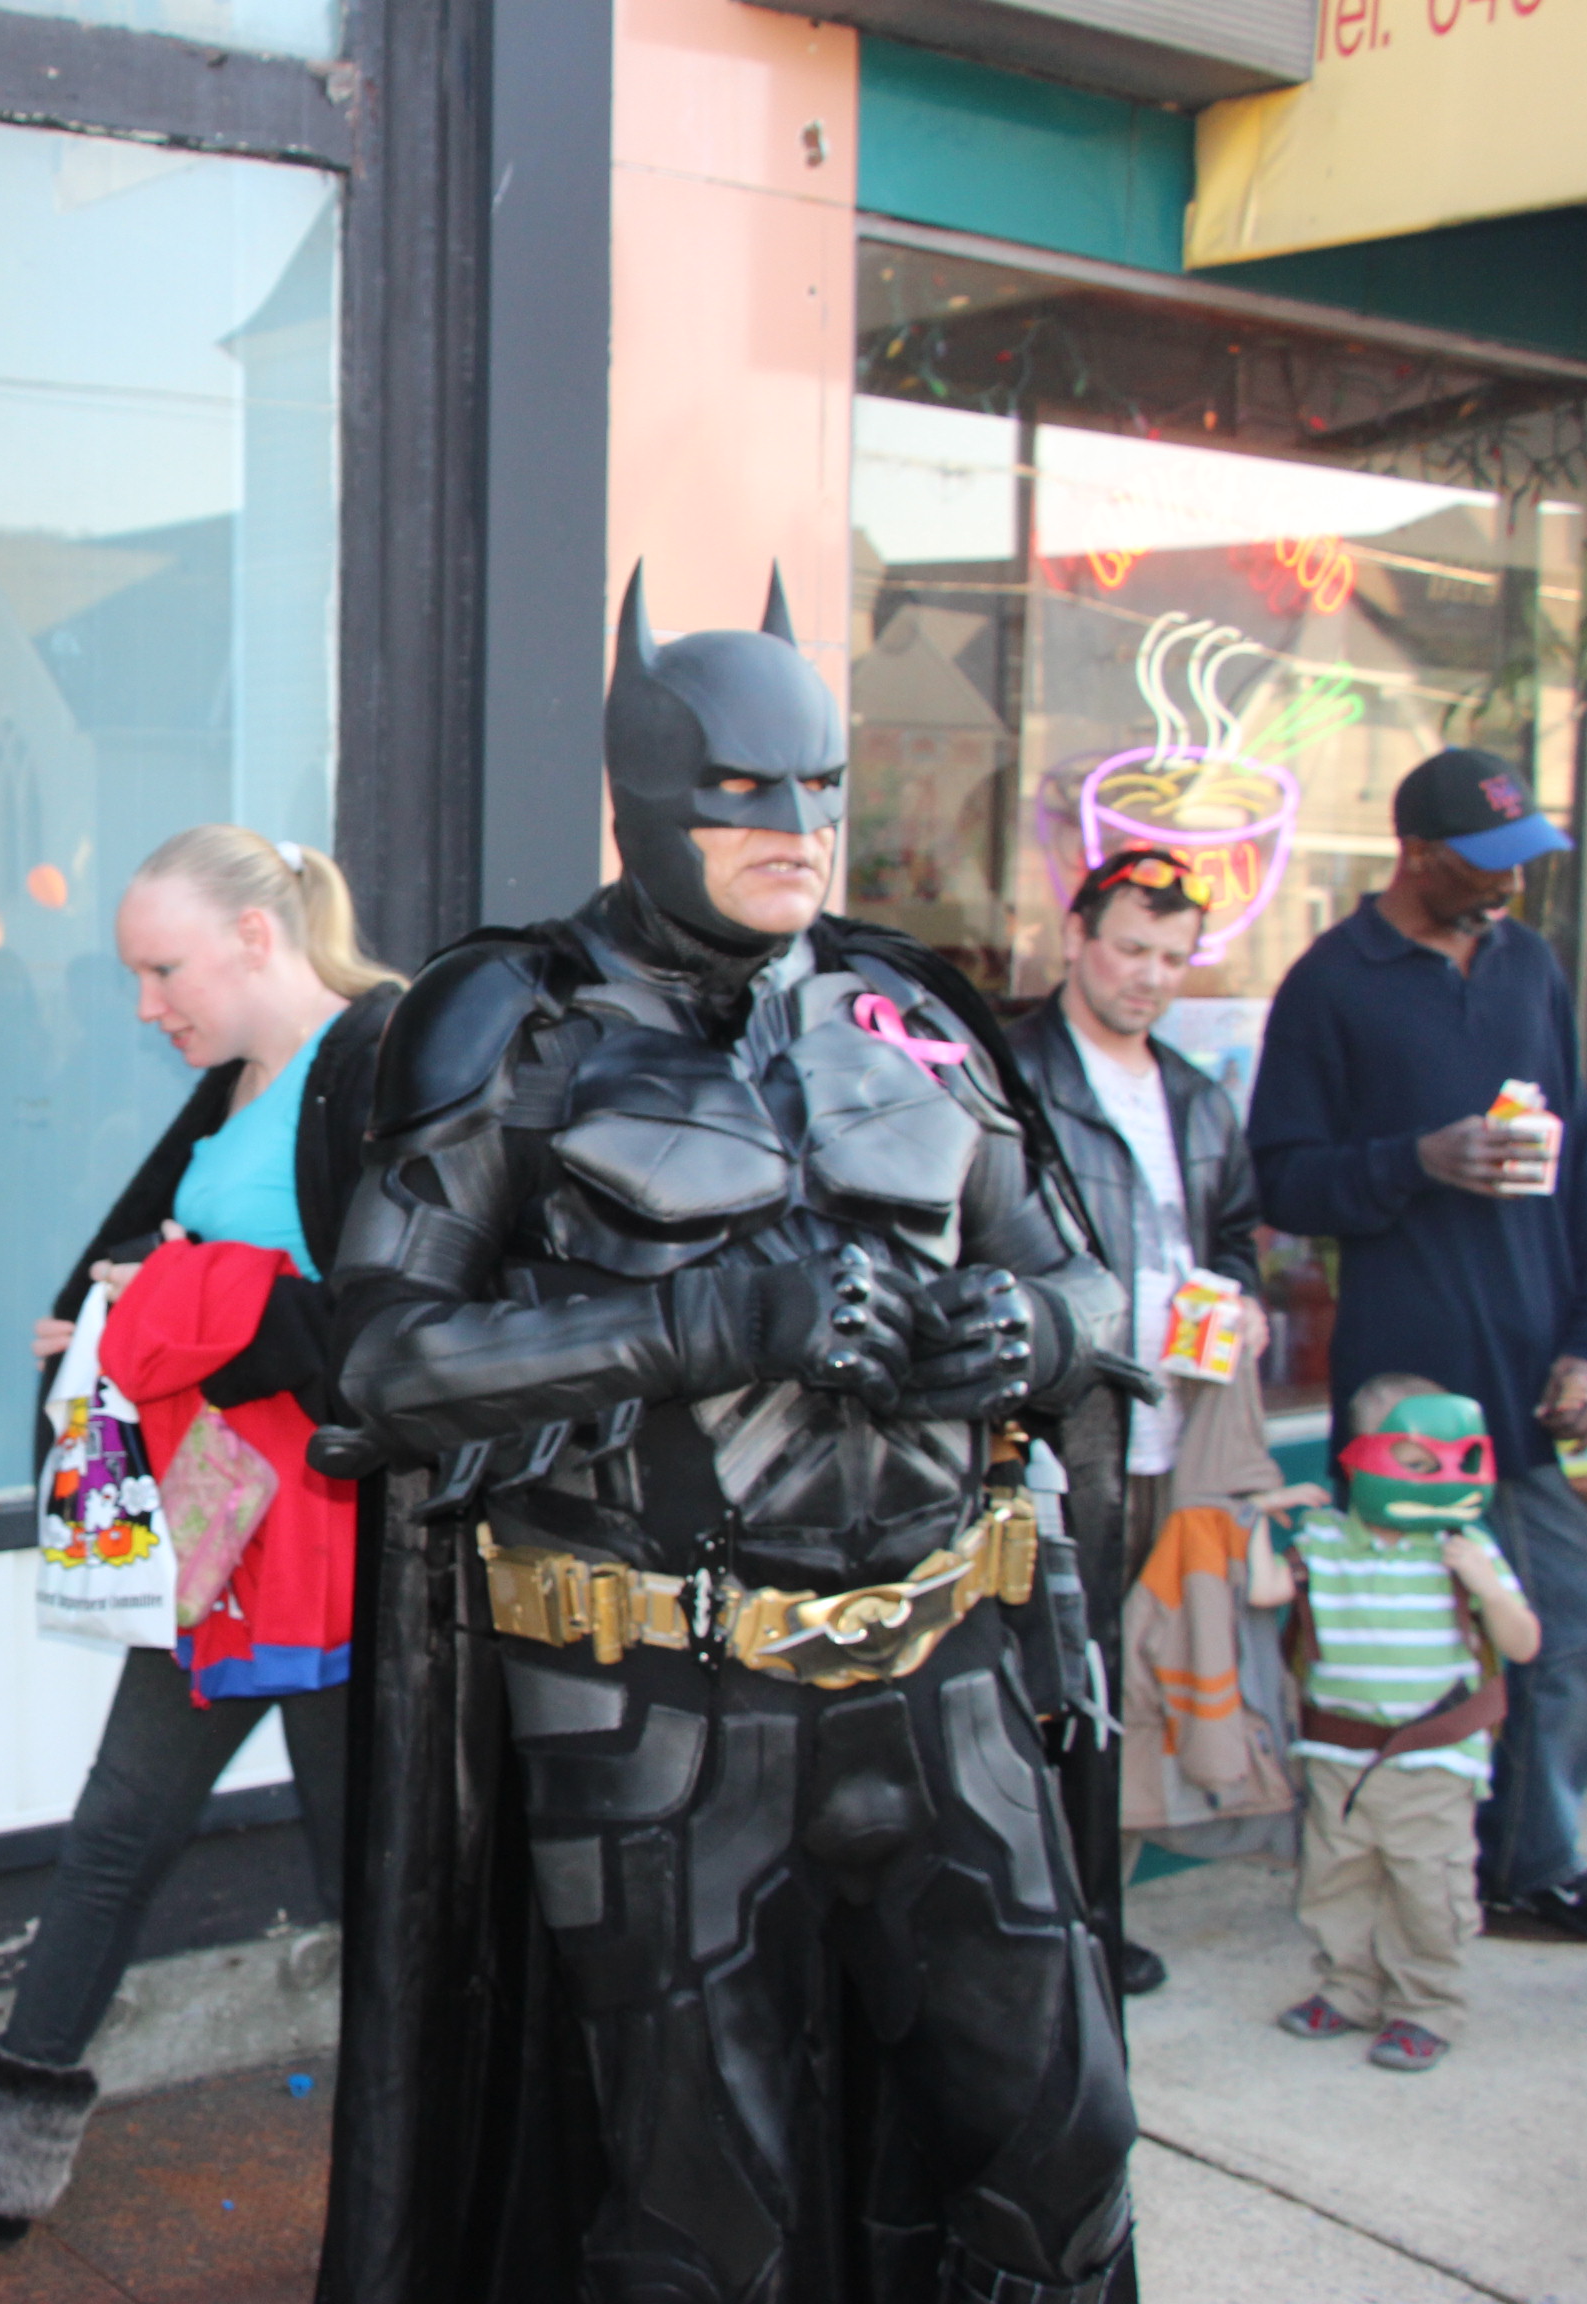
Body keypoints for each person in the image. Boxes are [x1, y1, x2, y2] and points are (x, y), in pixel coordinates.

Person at [319, 570, 1140, 2304]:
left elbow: (1087, 1275)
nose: (797, 831)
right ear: (644, 795)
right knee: (708, 2217)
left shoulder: (906, 1010)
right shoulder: (509, 1020)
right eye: (745, 792)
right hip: (658, 1710)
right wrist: (708, 1325)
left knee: (1066, 2151)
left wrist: (1033, 1329)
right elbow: (383, 1368)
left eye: (821, 788)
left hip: (944, 1676)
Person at [0, 825, 402, 2246]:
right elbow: (210, 1273)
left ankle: (435, 2187)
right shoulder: (244, 1075)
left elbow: (387, 1331)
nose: (145, 1005)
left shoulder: (384, 1062)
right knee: (122, 1830)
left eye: (162, 969)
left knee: (370, 1879)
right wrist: (112, 1314)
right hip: (224, 1507)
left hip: (337, 1536)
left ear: (256, 938)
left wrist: (166, 1307)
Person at [1247, 746, 1587, 1948]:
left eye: (1524, 863)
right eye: (1488, 865)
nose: (1513, 888)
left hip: (1551, 1382)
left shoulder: (1531, 965)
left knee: (1581, 1629)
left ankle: (1534, 1866)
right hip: (1409, 1396)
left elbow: (1581, 1171)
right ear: (1416, 855)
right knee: (1406, 1650)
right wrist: (1415, 1161)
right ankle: (1412, 1866)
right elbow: (1283, 1181)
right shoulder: (1330, 984)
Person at [1004, 845, 1270, 1997]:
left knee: (1130, 1682)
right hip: (1057, 1437)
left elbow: (1236, 1235)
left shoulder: (1199, 1096)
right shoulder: (1011, 1074)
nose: (1150, 976)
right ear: (1074, 937)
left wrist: (1243, 1300)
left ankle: (1096, 1915)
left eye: (1172, 957)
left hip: (1172, 1435)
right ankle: (1049, 1923)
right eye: (1130, 948)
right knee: (1048, 1682)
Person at [1253, 1378, 1541, 2073]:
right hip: (1337, 1752)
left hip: (1434, 1760)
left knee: (1427, 1889)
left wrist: (1487, 1584)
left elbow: (1524, 1643)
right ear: (1364, 1459)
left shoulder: (1462, 1545)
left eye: (1455, 1460)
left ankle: (1426, 2006)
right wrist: (1256, 1517)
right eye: (1416, 1462)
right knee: (1335, 1880)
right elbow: (1263, 1590)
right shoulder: (1324, 1538)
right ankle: (1349, 1989)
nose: (1439, 1478)